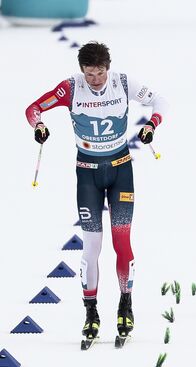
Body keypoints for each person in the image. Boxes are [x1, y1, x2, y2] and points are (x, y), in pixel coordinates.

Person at [25, 41, 167, 341]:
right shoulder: (70, 88)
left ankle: (125, 305)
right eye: (89, 74)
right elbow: (34, 107)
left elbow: (160, 101)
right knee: (91, 247)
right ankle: (90, 312)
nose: (96, 80)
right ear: (81, 71)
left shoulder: (123, 82)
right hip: (87, 174)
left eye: (100, 72)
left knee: (122, 241)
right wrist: (38, 125)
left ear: (108, 68)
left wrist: (152, 125)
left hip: (121, 171)